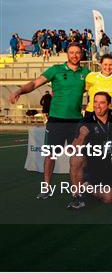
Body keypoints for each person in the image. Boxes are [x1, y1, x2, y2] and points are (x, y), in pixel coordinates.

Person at [9, 43, 90, 199]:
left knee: (79, 156)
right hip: (56, 120)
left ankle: (79, 188)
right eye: (71, 52)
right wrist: (19, 90)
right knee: (51, 155)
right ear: (67, 53)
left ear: (82, 54)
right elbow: (34, 83)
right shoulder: (56, 70)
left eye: (77, 52)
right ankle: (46, 187)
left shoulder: (86, 73)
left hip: (77, 121)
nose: (74, 55)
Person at [68, 92, 112, 209]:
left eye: (102, 103)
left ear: (108, 105)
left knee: (108, 198)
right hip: (92, 165)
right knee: (76, 159)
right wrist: (82, 136)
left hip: (110, 164)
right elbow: (74, 148)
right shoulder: (85, 121)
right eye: (95, 102)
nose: (98, 106)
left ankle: (86, 187)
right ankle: (77, 196)